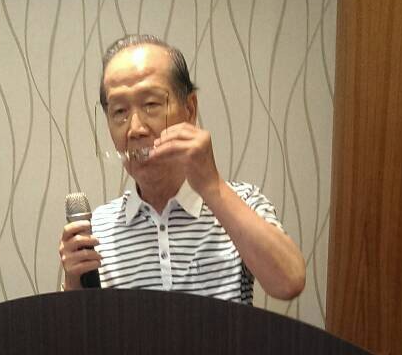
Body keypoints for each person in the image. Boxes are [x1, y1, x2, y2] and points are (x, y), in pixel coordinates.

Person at [59, 35, 305, 305]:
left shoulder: (243, 202)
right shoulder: (97, 230)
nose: (135, 129)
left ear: (189, 109)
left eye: (151, 105)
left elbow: (289, 283)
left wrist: (212, 187)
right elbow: (82, 328)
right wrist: (74, 283)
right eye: (119, 111)